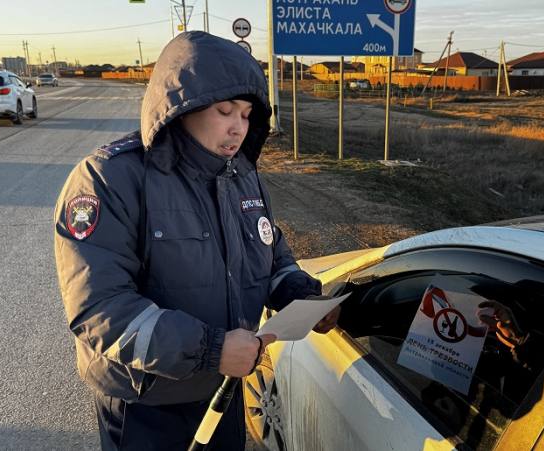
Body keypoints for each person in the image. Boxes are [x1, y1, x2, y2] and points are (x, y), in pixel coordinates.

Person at [53, 32, 339, 451]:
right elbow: (99, 309)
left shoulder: (242, 176)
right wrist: (210, 350)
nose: (238, 127)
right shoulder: (109, 178)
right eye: (225, 111)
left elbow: (271, 251)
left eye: (246, 115)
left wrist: (299, 294)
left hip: (223, 389)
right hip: (146, 405)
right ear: (181, 106)